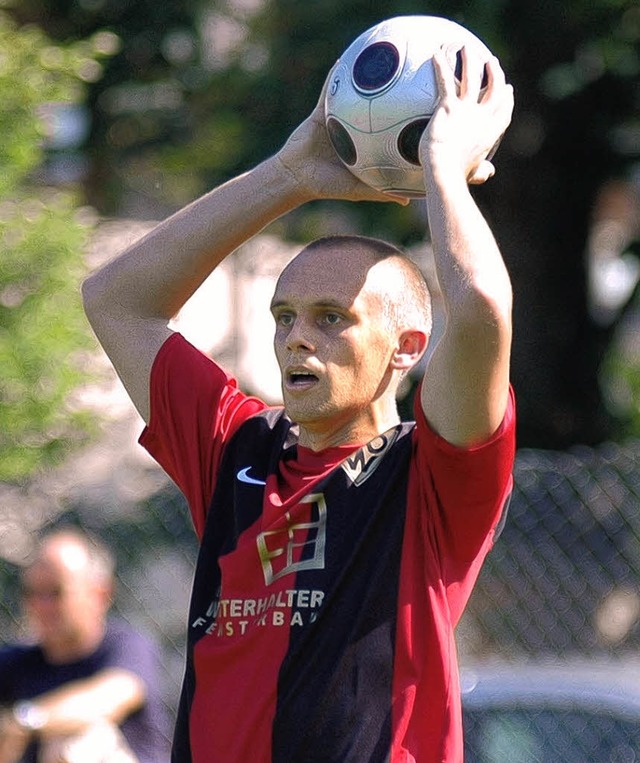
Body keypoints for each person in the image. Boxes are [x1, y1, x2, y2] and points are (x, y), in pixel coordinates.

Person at [82, 43, 516, 763]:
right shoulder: (238, 448)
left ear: (408, 346)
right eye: (284, 316)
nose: (296, 339)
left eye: (330, 317)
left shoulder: (433, 473)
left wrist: (442, 168)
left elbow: (480, 308)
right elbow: (116, 300)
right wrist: (285, 177)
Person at [0, 529, 172, 763]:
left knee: (81, 742)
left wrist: (25, 720)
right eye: (33, 593)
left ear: (99, 594)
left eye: (55, 593)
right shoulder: (16, 663)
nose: (42, 606)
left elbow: (109, 698)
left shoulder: (126, 645)